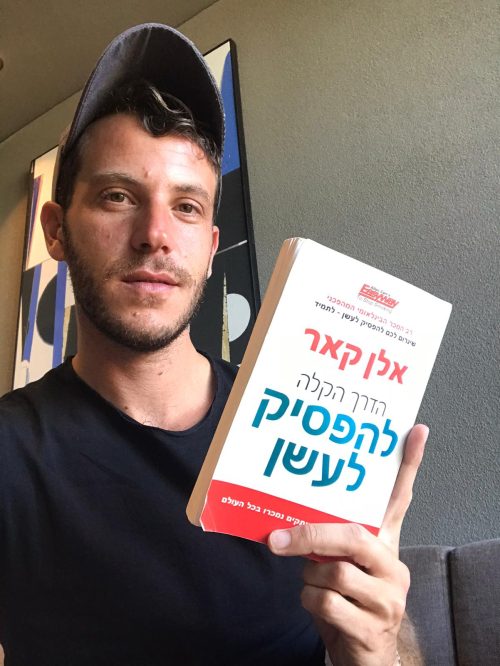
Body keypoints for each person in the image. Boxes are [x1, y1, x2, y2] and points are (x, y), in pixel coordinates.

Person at [0, 23, 427, 666]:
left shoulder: (305, 433)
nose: (155, 234)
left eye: (187, 207)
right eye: (117, 196)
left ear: (209, 247)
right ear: (56, 231)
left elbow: (381, 640)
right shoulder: (11, 457)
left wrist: (381, 646)